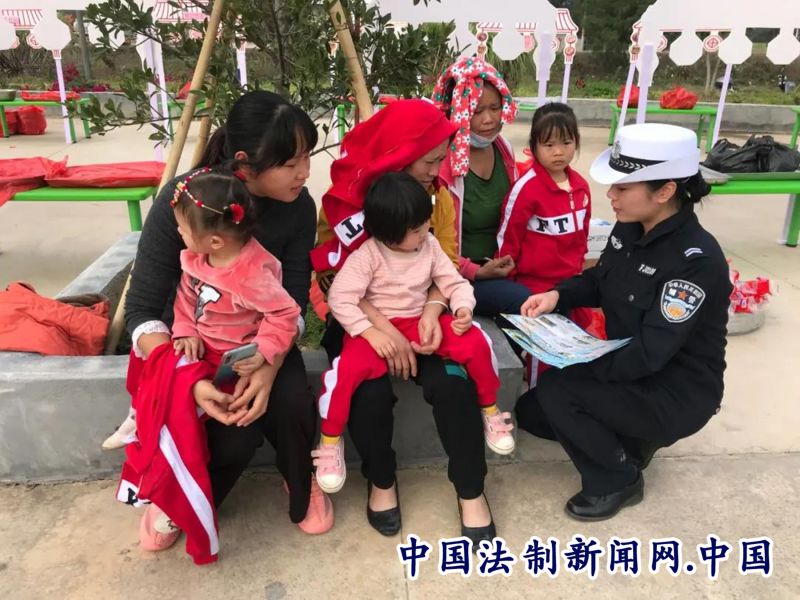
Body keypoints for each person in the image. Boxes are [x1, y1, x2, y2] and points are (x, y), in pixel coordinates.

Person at [124, 91, 332, 552]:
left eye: (307, 157)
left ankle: (302, 478)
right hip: (189, 346)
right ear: (245, 163)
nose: (304, 172)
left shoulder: (298, 206)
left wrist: (269, 364)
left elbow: (293, 300)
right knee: (234, 432)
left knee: (292, 403)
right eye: (291, 163)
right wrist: (189, 380)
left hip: (263, 342)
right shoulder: (185, 202)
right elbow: (141, 311)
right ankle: (176, 492)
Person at [515, 123, 732, 521]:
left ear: (664, 191)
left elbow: (650, 353)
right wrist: (557, 296)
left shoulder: (695, 261)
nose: (611, 195)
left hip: (672, 389)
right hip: (629, 366)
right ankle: (633, 438)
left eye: (623, 187)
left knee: (559, 391)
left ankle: (616, 479)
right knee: (532, 412)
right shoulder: (632, 226)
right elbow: (601, 280)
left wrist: (578, 361)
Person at [312, 100, 498, 545]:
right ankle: (381, 481)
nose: (437, 170)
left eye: (440, 159)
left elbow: (444, 266)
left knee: (454, 386)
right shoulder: (345, 203)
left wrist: (434, 310)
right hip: (361, 323)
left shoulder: (438, 200)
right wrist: (383, 330)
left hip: (422, 316)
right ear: (399, 154)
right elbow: (333, 278)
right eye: (429, 160)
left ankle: (471, 489)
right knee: (368, 394)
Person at [312, 172, 514, 494]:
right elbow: (340, 298)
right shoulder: (369, 256)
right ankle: (330, 439)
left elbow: (453, 282)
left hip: (420, 322)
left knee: (476, 341)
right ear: (389, 234)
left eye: (425, 223)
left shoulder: (429, 246)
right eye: (416, 229)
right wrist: (369, 332)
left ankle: (490, 409)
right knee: (346, 372)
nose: (425, 232)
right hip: (378, 331)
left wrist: (462, 308)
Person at [432, 55, 530, 316]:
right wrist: (475, 271)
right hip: (457, 276)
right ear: (456, 110)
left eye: (495, 108)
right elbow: (430, 241)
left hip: (503, 266)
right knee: (524, 303)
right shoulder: (440, 165)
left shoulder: (504, 149)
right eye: (475, 111)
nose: (488, 119)